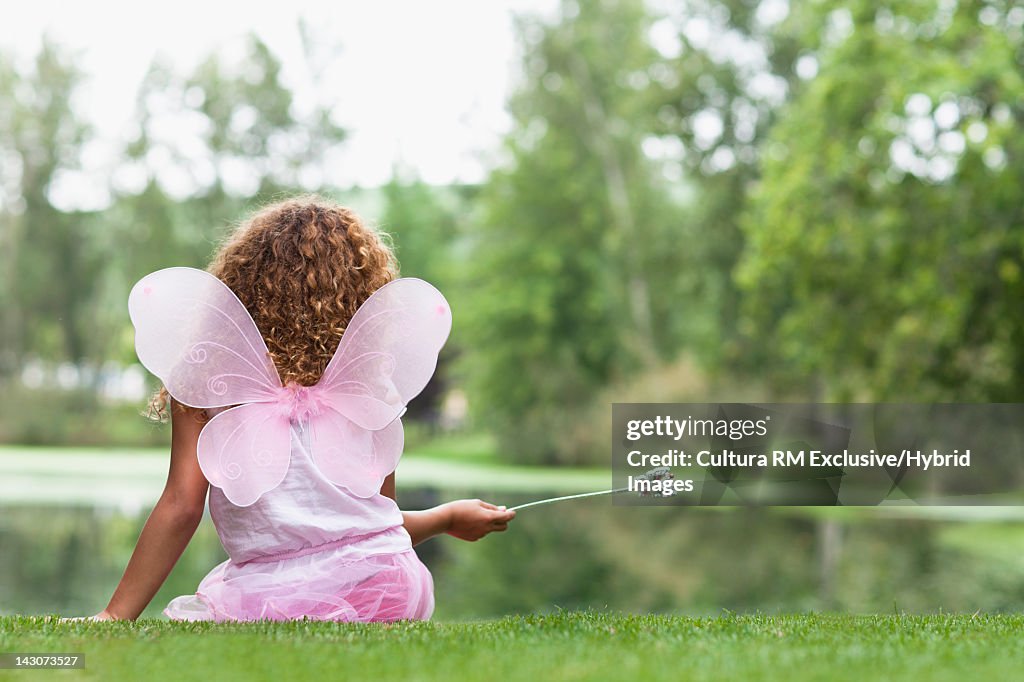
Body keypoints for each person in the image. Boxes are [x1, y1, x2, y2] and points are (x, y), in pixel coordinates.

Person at [89, 197, 515, 622]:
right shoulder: (368, 382)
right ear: (359, 293)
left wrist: (114, 616)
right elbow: (369, 529)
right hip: (391, 585)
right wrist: (445, 517)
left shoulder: (210, 379)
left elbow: (182, 505)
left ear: (242, 284)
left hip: (271, 593)